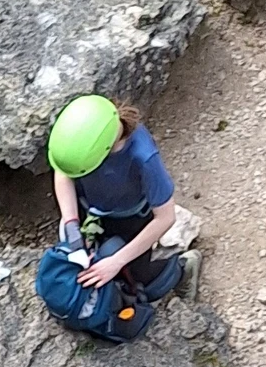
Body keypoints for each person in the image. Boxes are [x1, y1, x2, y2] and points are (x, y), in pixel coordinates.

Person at [47, 94, 185, 301]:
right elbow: (64, 171)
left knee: (138, 282)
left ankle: (183, 267)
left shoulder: (144, 158)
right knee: (83, 264)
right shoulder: (84, 131)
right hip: (87, 206)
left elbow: (166, 217)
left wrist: (117, 261)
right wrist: (71, 225)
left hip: (130, 218)